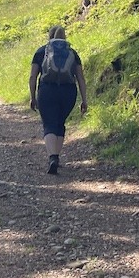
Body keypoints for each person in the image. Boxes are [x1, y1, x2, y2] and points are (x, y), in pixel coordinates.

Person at [29, 25, 87, 174]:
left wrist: (32, 97)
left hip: (47, 90)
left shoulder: (41, 51)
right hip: (68, 92)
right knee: (60, 123)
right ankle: (56, 156)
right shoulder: (72, 52)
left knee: (49, 124)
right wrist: (84, 99)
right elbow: (80, 78)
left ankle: (52, 157)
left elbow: (33, 76)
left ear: (49, 37)